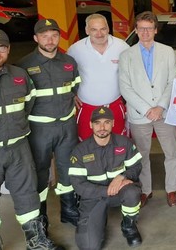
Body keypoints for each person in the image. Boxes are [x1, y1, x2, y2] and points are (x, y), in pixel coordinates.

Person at [0, 29, 62, 250]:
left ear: (8, 49)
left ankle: (36, 240)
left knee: (27, 194)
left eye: (2, 47)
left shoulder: (19, 75)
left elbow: (28, 104)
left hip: (18, 148)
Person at [17, 18, 81, 228]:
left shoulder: (69, 62)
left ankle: (69, 210)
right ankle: (40, 216)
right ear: (36, 38)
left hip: (66, 126)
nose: (50, 40)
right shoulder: (24, 66)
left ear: (59, 37)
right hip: (39, 129)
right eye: (44, 36)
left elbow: (73, 89)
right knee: (40, 172)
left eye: (54, 35)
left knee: (67, 169)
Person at [118, 11, 176, 208]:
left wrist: (160, 106)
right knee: (142, 154)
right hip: (139, 114)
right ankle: (145, 190)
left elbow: (172, 81)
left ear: (155, 30)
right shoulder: (126, 55)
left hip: (164, 112)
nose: (145, 32)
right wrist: (147, 109)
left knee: (171, 152)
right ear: (136, 30)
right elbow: (125, 87)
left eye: (149, 28)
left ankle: (171, 190)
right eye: (141, 28)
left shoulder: (167, 51)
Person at [69, 107, 143, 249]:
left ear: (113, 123)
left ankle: (129, 226)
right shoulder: (80, 151)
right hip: (93, 197)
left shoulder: (125, 143)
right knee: (89, 246)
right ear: (90, 124)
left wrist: (122, 177)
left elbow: (136, 167)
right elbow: (79, 185)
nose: (102, 127)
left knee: (132, 192)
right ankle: (98, 221)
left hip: (120, 192)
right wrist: (105, 191)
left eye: (106, 122)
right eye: (97, 123)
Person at [68, 13, 129, 140]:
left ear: (108, 28)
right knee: (86, 144)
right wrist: (71, 94)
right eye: (94, 29)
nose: (99, 34)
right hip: (86, 107)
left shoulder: (122, 47)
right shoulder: (75, 50)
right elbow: (65, 74)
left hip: (114, 105)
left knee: (118, 143)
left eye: (103, 29)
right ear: (86, 31)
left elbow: (132, 74)